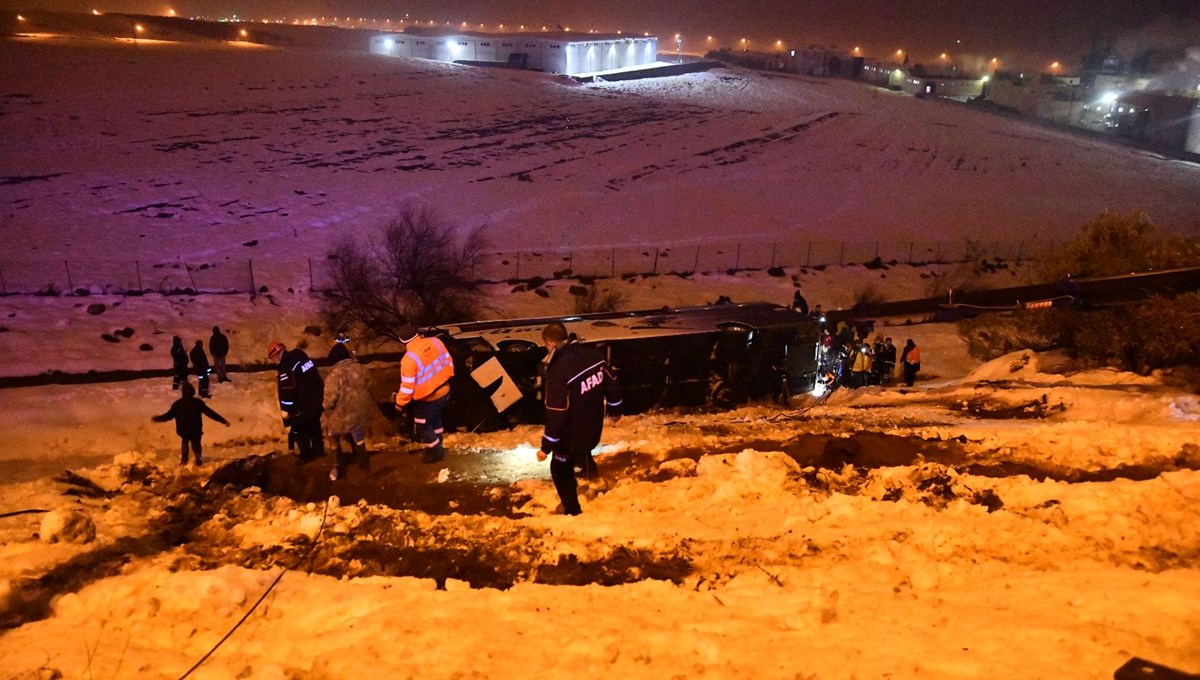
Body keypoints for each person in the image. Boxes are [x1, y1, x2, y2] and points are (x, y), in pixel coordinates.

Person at [536, 322, 623, 516]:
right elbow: (613, 383)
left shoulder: (558, 372)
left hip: (571, 433)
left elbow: (556, 412)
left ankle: (572, 510)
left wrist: (546, 447)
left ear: (549, 343)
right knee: (583, 447)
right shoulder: (594, 356)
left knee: (559, 468)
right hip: (593, 426)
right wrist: (615, 410)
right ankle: (591, 473)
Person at [393, 323, 454, 464]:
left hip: (428, 398)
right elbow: (449, 362)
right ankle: (438, 444)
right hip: (445, 390)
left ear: (402, 341)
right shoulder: (435, 342)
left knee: (422, 425)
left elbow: (407, 388)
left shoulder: (408, 360)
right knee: (436, 419)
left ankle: (435, 452)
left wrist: (399, 403)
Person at [323, 341, 375, 478]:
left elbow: (329, 401)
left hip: (345, 415)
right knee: (357, 429)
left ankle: (336, 464)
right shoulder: (361, 368)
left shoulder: (334, 375)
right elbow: (372, 386)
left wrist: (326, 408)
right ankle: (363, 460)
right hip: (363, 413)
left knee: (331, 431)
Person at [268, 340, 325, 462]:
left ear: (277, 354)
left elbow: (287, 390)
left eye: (273, 358)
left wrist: (285, 410)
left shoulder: (286, 366)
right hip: (314, 402)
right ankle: (319, 452)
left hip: (299, 406)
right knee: (315, 427)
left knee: (300, 430)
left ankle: (306, 456)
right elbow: (316, 379)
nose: (273, 361)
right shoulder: (301, 357)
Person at [151, 382, 229, 466]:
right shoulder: (198, 403)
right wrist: (223, 421)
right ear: (193, 391)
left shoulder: (177, 404)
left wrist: (157, 419)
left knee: (185, 442)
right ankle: (198, 458)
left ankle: (184, 460)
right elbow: (211, 413)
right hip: (195, 429)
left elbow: (168, 416)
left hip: (183, 429)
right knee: (196, 444)